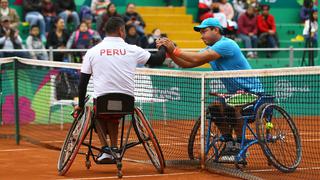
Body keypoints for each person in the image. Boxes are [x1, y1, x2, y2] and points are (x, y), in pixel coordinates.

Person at [157, 17, 263, 160]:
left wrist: (174, 50)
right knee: (213, 108)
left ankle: (239, 144)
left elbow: (194, 58)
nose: (202, 36)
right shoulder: (209, 49)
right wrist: (171, 53)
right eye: (200, 33)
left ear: (216, 30)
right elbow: (187, 63)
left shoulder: (227, 44)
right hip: (234, 94)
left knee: (232, 107)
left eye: (204, 31)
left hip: (253, 93)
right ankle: (229, 142)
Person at [74, 17, 167, 163]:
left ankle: (105, 150)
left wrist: (80, 104)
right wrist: (163, 46)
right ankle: (114, 147)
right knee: (113, 116)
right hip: (126, 103)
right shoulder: (133, 49)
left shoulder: (92, 52)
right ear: (121, 31)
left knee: (97, 114)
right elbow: (158, 59)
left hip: (103, 103)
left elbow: (83, 83)